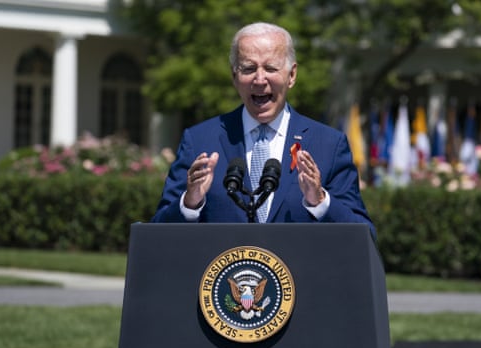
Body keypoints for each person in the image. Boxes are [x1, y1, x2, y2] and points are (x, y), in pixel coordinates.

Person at [151, 22, 376, 240]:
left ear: (292, 75)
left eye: (270, 68)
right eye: (248, 69)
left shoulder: (328, 144)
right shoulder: (200, 141)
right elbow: (157, 234)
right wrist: (190, 203)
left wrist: (320, 201)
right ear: (234, 76)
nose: (260, 80)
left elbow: (364, 235)